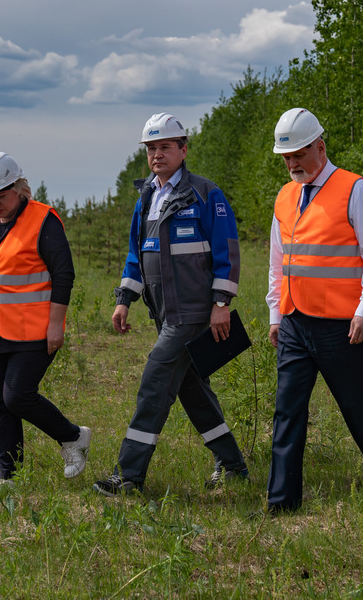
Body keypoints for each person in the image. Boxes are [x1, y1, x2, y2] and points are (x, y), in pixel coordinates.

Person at [95, 114, 247, 495]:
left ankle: (129, 475)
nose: (157, 155)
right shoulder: (146, 197)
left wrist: (221, 303)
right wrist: (124, 299)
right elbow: (137, 253)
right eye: (151, 148)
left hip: (192, 314)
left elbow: (228, 251)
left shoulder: (205, 194)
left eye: (164, 147)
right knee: (192, 390)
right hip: (164, 314)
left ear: (183, 148)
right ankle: (232, 465)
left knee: (154, 384)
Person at [266, 107, 363, 513]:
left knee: (357, 406)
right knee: (287, 411)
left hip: (342, 326)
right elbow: (277, 262)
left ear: (320, 147)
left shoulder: (355, 189)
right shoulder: (285, 196)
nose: (292, 165)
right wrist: (275, 314)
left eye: (299, 155)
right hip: (293, 321)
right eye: (286, 158)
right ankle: (281, 502)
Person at [0, 152, 91, 492]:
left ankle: (73, 437)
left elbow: (64, 275)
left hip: (35, 330)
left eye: (1, 195)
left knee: (17, 396)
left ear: (19, 188)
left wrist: (55, 324)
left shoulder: (44, 221)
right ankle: (10, 477)